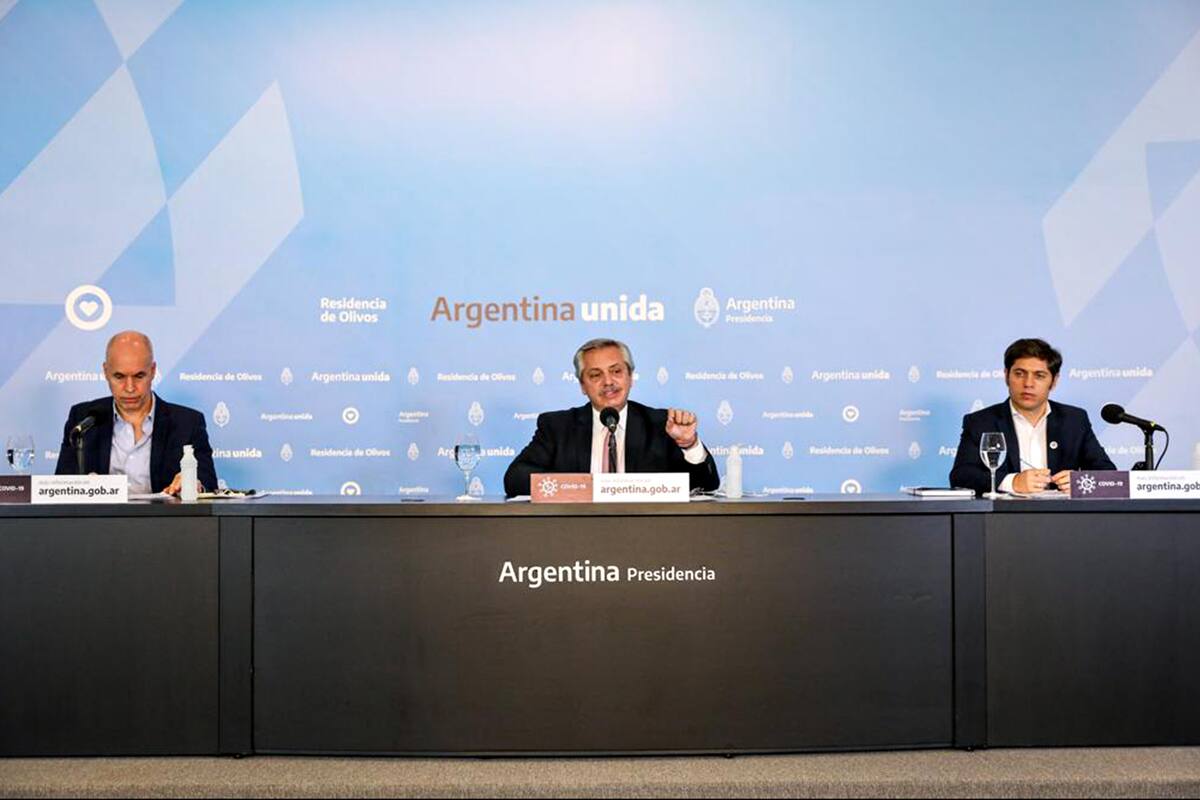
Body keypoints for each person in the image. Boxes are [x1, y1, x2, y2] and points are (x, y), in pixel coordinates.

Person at [504, 338, 720, 497]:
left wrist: (688, 444)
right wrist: (581, 487)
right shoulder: (557, 427)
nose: (608, 382)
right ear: (582, 385)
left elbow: (706, 485)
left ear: (630, 377)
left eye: (616, 371)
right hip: (574, 533)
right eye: (595, 375)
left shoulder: (661, 424)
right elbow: (515, 479)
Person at [55, 330, 217, 495]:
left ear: (153, 371)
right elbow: (61, 487)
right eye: (119, 377)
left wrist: (194, 483)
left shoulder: (188, 423)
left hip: (164, 513)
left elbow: (208, 483)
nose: (130, 388)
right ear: (105, 371)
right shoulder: (83, 419)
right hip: (102, 513)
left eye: (139, 376)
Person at [949, 338, 1115, 495]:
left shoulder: (1074, 420)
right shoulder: (981, 421)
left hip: (1062, 513)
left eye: (1039, 376)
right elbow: (961, 476)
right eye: (1019, 374)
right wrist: (1012, 482)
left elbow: (1109, 475)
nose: (1028, 383)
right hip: (1005, 514)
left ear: (1054, 381)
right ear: (1006, 376)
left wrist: (1081, 481)